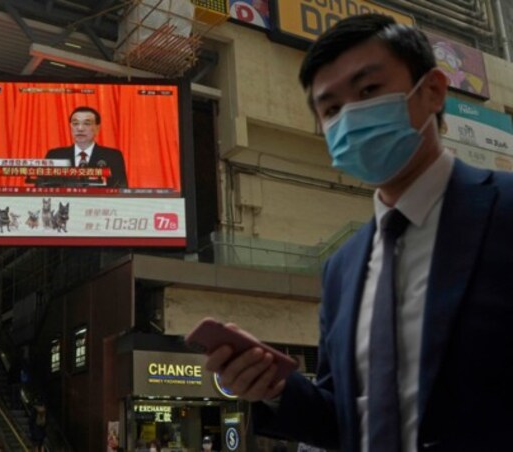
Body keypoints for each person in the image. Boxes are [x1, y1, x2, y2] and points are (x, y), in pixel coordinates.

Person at [202, 13, 513, 452]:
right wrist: (273, 387)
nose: (351, 117)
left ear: (432, 91)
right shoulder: (341, 269)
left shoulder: (503, 208)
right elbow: (343, 419)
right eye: (331, 109)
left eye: (369, 91)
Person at [43, 106, 128, 188]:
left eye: (87, 124)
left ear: (97, 128)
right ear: (70, 127)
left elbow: (121, 190)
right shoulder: (55, 156)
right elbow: (41, 188)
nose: (80, 128)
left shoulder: (113, 157)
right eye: (75, 123)